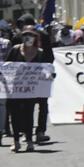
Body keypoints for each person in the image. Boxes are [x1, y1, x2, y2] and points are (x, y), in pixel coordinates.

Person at [3, 27, 52, 153]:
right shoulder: (15, 50)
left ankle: (29, 140)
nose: (27, 37)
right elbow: (7, 67)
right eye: (25, 35)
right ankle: (16, 140)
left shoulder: (40, 52)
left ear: (35, 37)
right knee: (15, 114)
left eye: (30, 35)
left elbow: (45, 69)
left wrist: (49, 75)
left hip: (32, 89)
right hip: (16, 88)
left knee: (28, 113)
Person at [17, 13, 53, 143]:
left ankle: (34, 132)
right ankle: (35, 132)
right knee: (32, 105)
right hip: (29, 77)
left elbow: (49, 55)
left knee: (36, 105)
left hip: (38, 76)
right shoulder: (18, 37)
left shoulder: (42, 36)